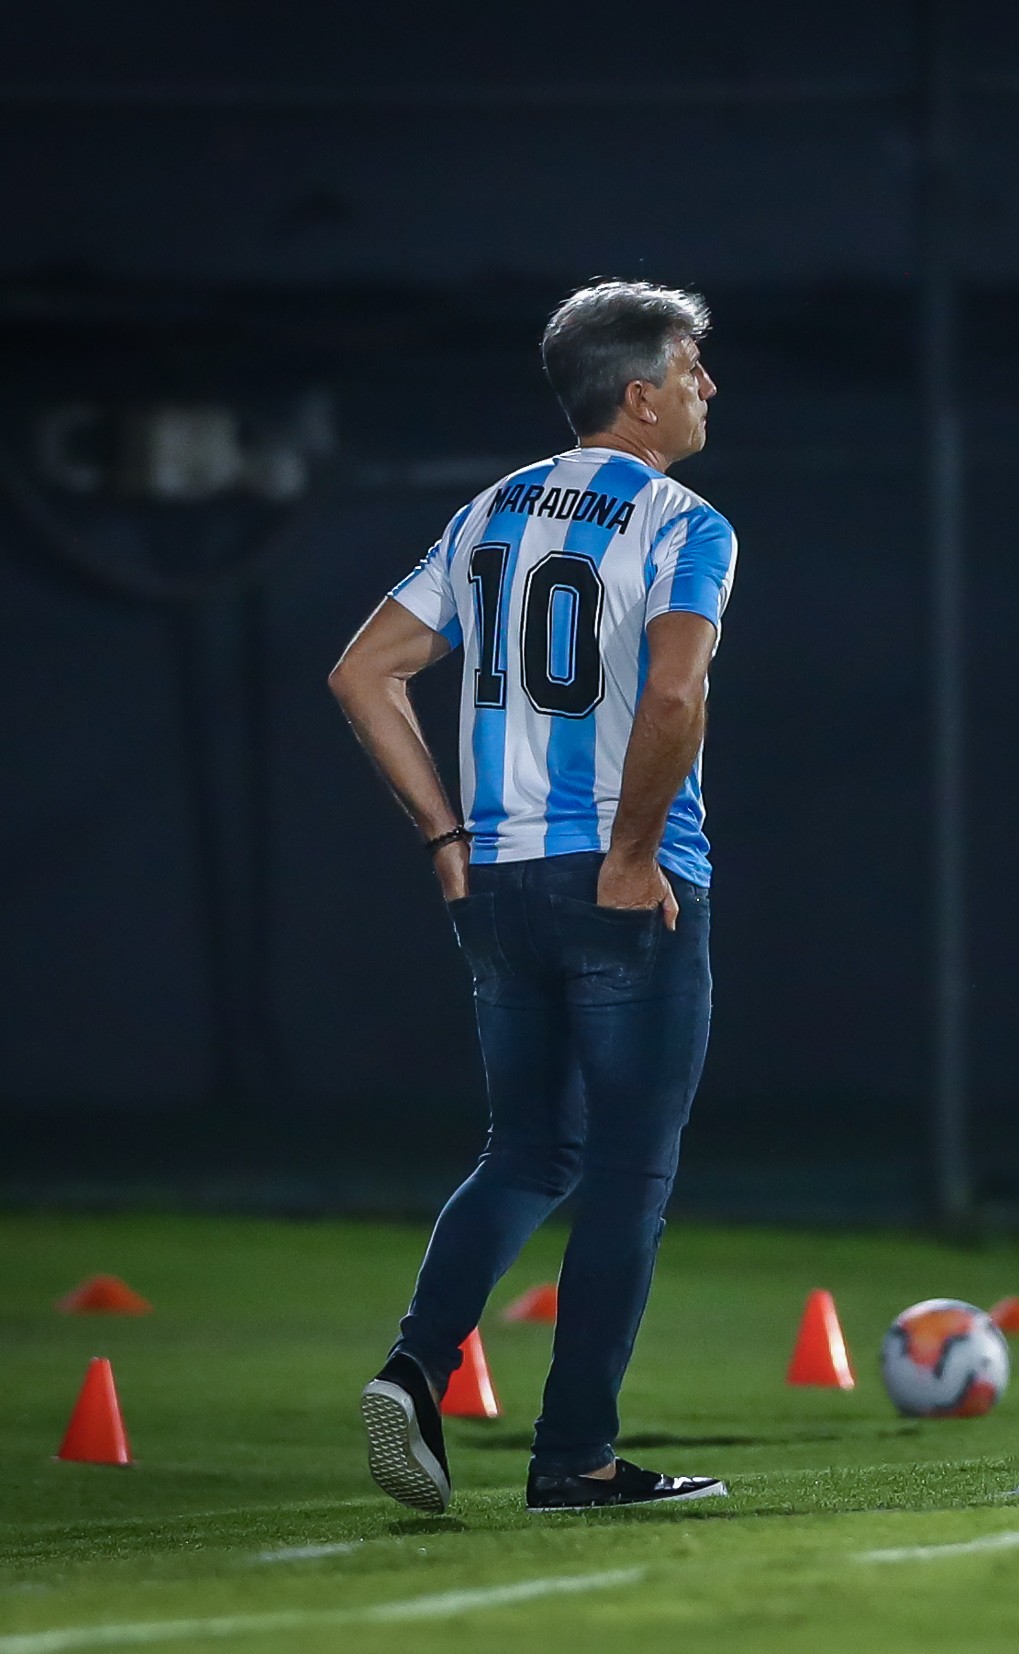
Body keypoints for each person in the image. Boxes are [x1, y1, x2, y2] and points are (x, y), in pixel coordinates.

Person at [327, 281, 734, 1513]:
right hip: (623, 878)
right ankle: (575, 1456)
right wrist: (629, 849)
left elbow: (361, 674)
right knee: (627, 1172)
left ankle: (417, 1364)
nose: (710, 386)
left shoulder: (489, 510)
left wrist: (447, 836)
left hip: (498, 880)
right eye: (693, 365)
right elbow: (671, 697)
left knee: (524, 1150)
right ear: (641, 394)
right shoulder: (682, 521)